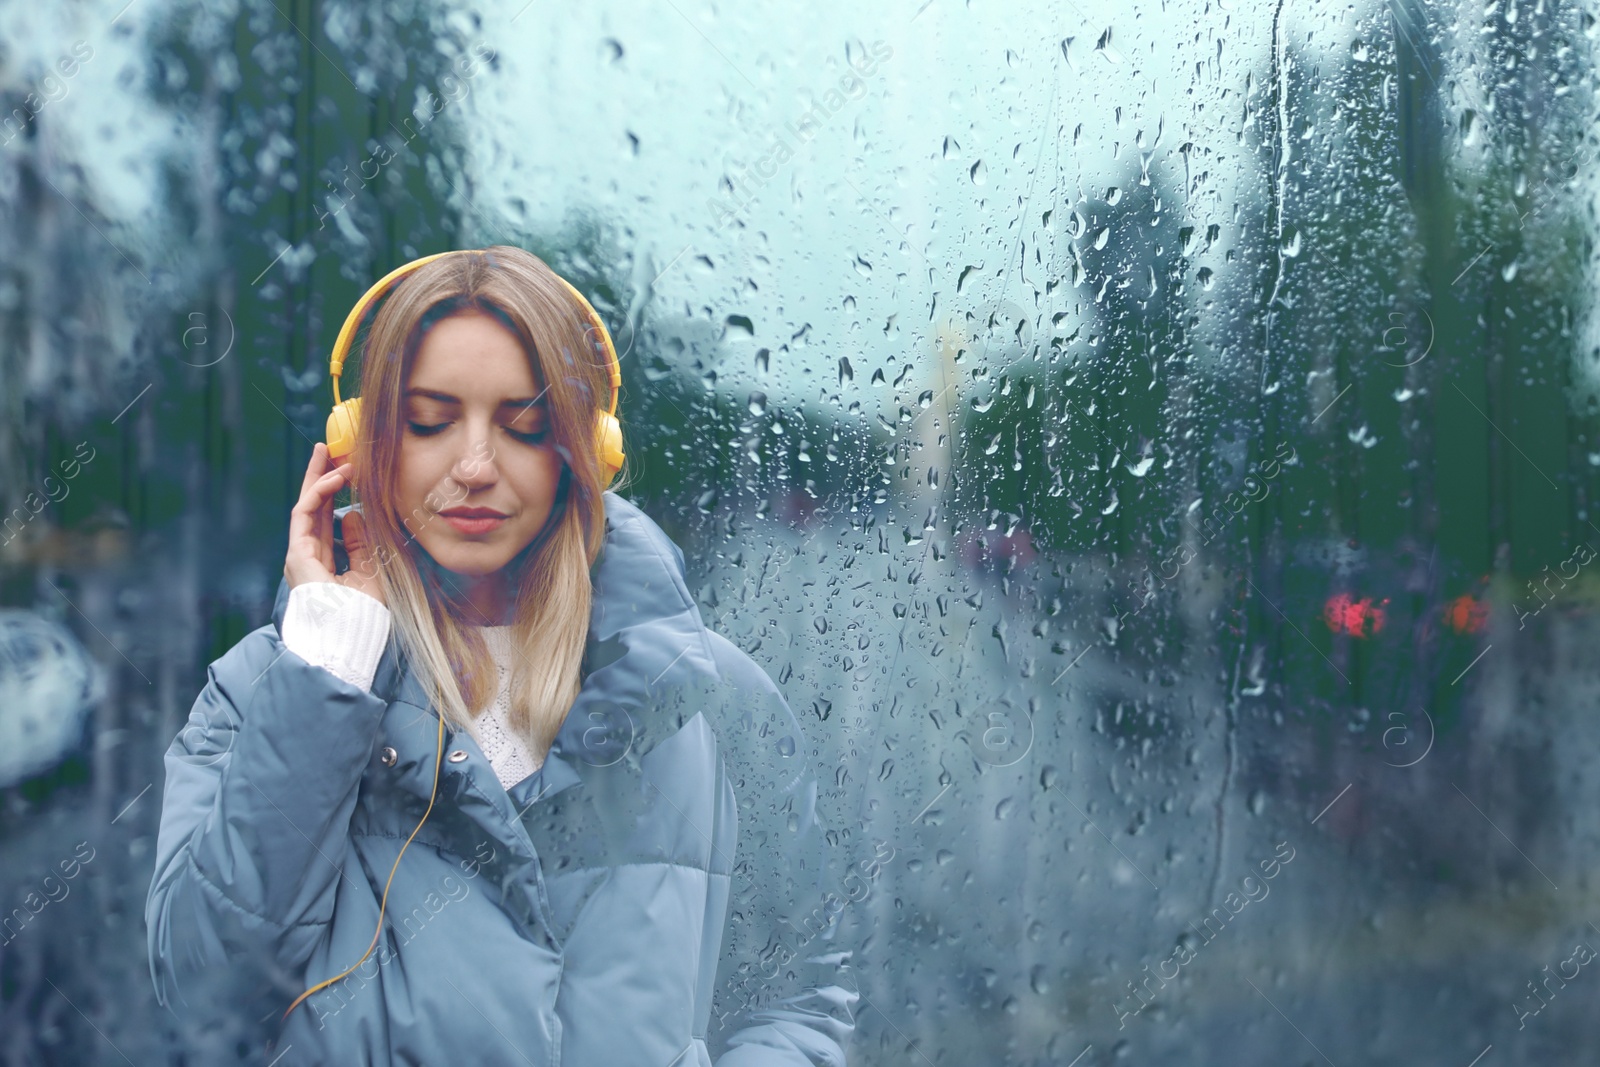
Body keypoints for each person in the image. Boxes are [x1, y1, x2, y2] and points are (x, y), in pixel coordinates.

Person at [144, 247, 858, 1065]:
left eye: (523, 426)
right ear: (364, 444)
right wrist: (326, 670)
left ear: (585, 452)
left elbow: (797, 997)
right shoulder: (258, 694)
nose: (475, 467)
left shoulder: (710, 699)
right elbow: (203, 999)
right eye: (428, 420)